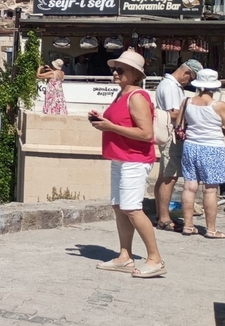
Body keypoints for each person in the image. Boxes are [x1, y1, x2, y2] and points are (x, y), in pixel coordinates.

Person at [88, 49, 165, 278]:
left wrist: (110, 127)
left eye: (120, 70)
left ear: (134, 74)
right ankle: (125, 256)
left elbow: (145, 134)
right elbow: (122, 123)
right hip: (120, 157)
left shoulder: (137, 96)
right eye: (114, 68)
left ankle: (155, 259)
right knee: (119, 207)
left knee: (132, 208)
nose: (115, 72)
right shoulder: (121, 94)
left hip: (134, 159)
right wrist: (103, 119)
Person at [178, 68, 225, 239]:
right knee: (210, 190)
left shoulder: (187, 101)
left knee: (189, 186)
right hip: (212, 148)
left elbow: (180, 123)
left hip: (190, 146)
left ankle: (188, 225)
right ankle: (211, 229)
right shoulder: (219, 106)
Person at [152, 59, 202, 232]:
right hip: (172, 135)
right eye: (190, 78)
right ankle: (164, 218)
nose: (189, 82)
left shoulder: (167, 85)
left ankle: (160, 214)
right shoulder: (172, 87)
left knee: (164, 175)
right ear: (186, 73)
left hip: (167, 134)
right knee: (170, 176)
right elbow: (174, 113)